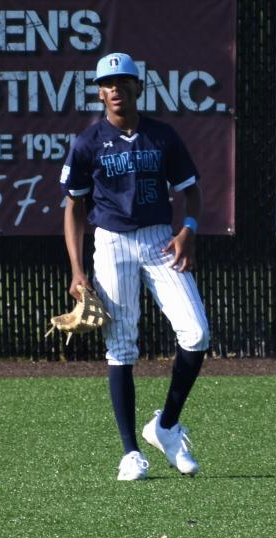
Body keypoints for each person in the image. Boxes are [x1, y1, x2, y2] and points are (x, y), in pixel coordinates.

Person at [60, 51, 211, 480]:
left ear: (137, 88)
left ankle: (165, 426)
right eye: (107, 85)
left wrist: (189, 230)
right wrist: (76, 270)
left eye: (122, 83)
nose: (114, 91)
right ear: (100, 92)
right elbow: (73, 206)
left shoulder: (162, 136)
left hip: (160, 239)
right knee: (122, 346)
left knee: (196, 333)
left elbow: (192, 191)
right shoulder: (88, 142)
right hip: (111, 243)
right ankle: (130, 452)